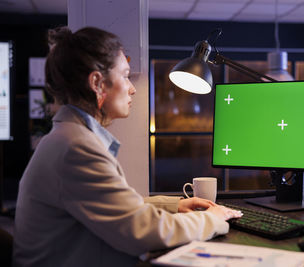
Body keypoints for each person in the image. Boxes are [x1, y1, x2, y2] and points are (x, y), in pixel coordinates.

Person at [12, 26, 242, 267]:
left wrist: (175, 205)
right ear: (97, 83)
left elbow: (116, 207)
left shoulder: (68, 138)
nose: (132, 88)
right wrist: (212, 219)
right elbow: (143, 232)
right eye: (125, 75)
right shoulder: (76, 148)